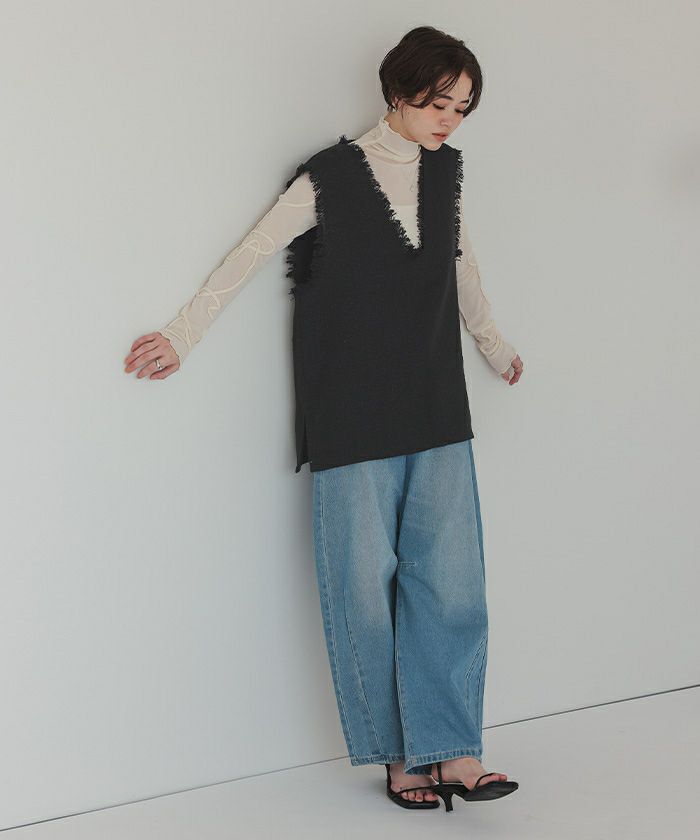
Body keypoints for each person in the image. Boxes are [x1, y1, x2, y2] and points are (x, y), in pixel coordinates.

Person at [124, 25, 524, 813]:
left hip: (436, 401)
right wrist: (180, 336)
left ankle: (454, 749)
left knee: (452, 585)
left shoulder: (445, 173)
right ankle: (398, 758)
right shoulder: (332, 176)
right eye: (438, 102)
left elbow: (462, 265)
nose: (449, 120)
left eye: (462, 108)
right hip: (350, 408)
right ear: (397, 90)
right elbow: (250, 252)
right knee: (362, 590)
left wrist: (494, 344)